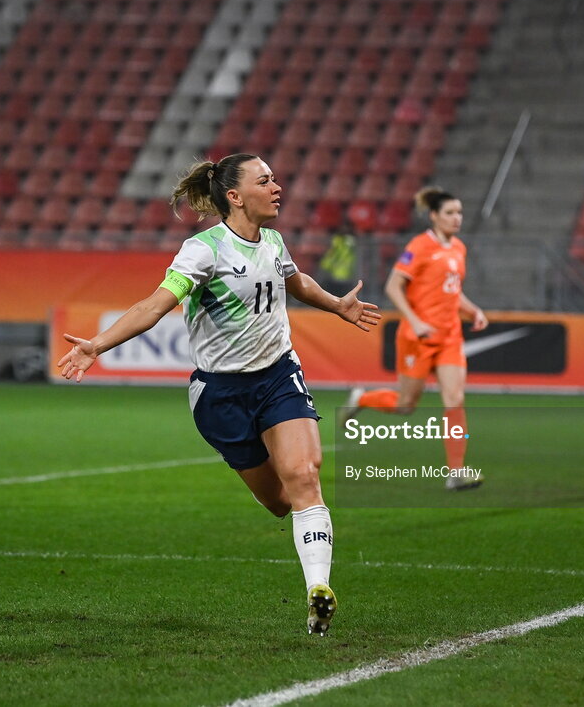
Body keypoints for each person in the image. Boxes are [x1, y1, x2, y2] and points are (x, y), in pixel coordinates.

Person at [57, 154, 381, 635]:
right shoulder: (203, 251)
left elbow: (295, 282)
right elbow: (154, 305)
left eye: (275, 178)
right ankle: (309, 548)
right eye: (265, 180)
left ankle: (318, 591)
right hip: (220, 395)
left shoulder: (272, 240)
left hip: (277, 377)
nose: (277, 186)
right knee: (278, 501)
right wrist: (97, 345)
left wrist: (337, 307)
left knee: (304, 475)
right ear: (234, 196)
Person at [342, 186, 488, 491]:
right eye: (449, 212)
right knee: (406, 405)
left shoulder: (458, 248)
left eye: (459, 212)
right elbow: (394, 287)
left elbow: (453, 290)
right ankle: (363, 398)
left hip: (449, 336)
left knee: (454, 400)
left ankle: (456, 472)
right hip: (417, 338)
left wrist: (473, 311)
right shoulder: (419, 246)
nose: (456, 218)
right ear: (434, 216)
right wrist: (416, 321)